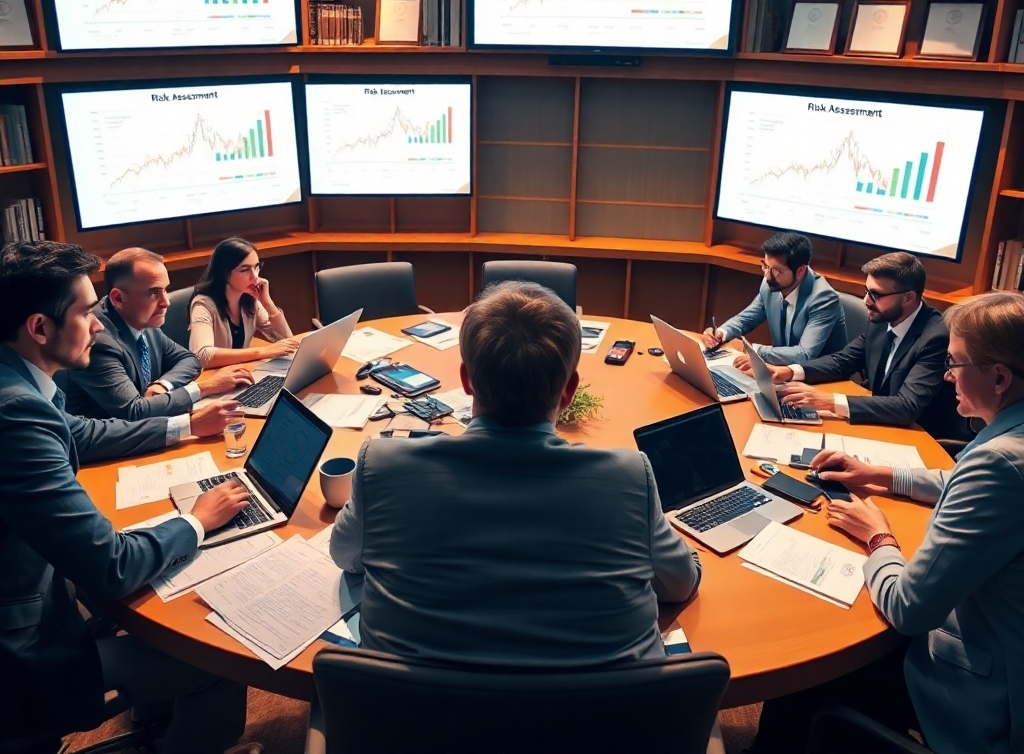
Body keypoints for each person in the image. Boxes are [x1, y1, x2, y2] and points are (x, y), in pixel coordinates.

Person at [330, 280, 701, 665]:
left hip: (411, 704)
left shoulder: (383, 467)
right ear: (570, 389)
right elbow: (680, 584)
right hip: (600, 705)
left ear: (467, 380)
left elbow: (346, 556)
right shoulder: (628, 479)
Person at [0, 241, 255, 753]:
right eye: (85, 312)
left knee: (155, 604)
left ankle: (154, 724)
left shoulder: (19, 382)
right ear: (39, 328)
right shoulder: (16, 415)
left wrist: (184, 426)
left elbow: (85, 432)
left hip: (41, 591)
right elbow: (111, 568)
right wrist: (197, 520)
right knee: (220, 657)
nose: (97, 325)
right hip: (23, 648)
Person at [752, 291, 1024, 754]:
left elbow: (908, 608)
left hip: (978, 693)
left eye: (955, 363)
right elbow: (956, 478)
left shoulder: (998, 465)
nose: (947, 375)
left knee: (814, 662)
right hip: (997, 639)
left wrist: (877, 537)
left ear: (999, 377)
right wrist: (876, 474)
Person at [753, 251, 962, 438]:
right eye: (866, 291)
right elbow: (843, 361)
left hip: (920, 437)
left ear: (908, 298)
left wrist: (829, 401)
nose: (866, 301)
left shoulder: (935, 338)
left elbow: (907, 406)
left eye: (876, 295)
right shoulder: (881, 320)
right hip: (880, 424)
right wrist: (789, 371)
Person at [65, 247, 255, 420]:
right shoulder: (97, 341)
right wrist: (205, 387)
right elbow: (134, 411)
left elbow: (189, 360)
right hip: (110, 444)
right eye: (153, 293)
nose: (166, 302)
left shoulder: (143, 321)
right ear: (118, 298)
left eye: (165, 290)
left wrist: (163, 384)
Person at [702, 231, 847, 366]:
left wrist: (750, 349)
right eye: (765, 266)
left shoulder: (823, 299)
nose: (767, 276)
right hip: (782, 370)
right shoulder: (770, 283)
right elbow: (747, 319)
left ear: (800, 271)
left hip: (822, 377)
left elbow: (805, 354)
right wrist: (722, 333)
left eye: (777, 271)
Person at [188, 237, 298, 368]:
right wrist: (262, 352)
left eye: (257, 267)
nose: (255, 276)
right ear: (224, 273)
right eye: (244, 270)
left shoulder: (250, 299)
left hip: (240, 372)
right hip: (214, 376)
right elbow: (202, 356)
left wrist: (268, 303)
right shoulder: (203, 304)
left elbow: (287, 342)